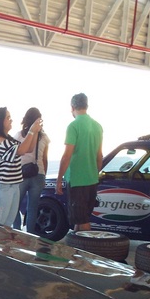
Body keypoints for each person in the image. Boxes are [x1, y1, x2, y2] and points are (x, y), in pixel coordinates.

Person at [0, 107, 41, 226]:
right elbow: (22, 150)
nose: (11, 120)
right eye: (8, 117)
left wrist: (35, 131)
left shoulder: (9, 139)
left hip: (13, 186)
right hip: (2, 187)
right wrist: (31, 131)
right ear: (0, 121)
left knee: (7, 225)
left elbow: (29, 148)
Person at [56, 93, 103, 232]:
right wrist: (94, 173)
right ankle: (76, 245)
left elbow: (66, 156)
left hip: (77, 180)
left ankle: (88, 246)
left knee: (82, 222)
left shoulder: (73, 126)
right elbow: (99, 156)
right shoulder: (97, 126)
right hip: (92, 179)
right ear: (86, 105)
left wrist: (59, 180)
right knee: (80, 219)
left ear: (72, 107)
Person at [13, 107, 50, 231]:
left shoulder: (19, 135)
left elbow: (15, 155)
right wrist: (44, 176)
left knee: (14, 206)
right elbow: (45, 159)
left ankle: (17, 231)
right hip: (38, 174)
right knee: (33, 208)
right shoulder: (44, 137)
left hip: (21, 174)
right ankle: (30, 234)